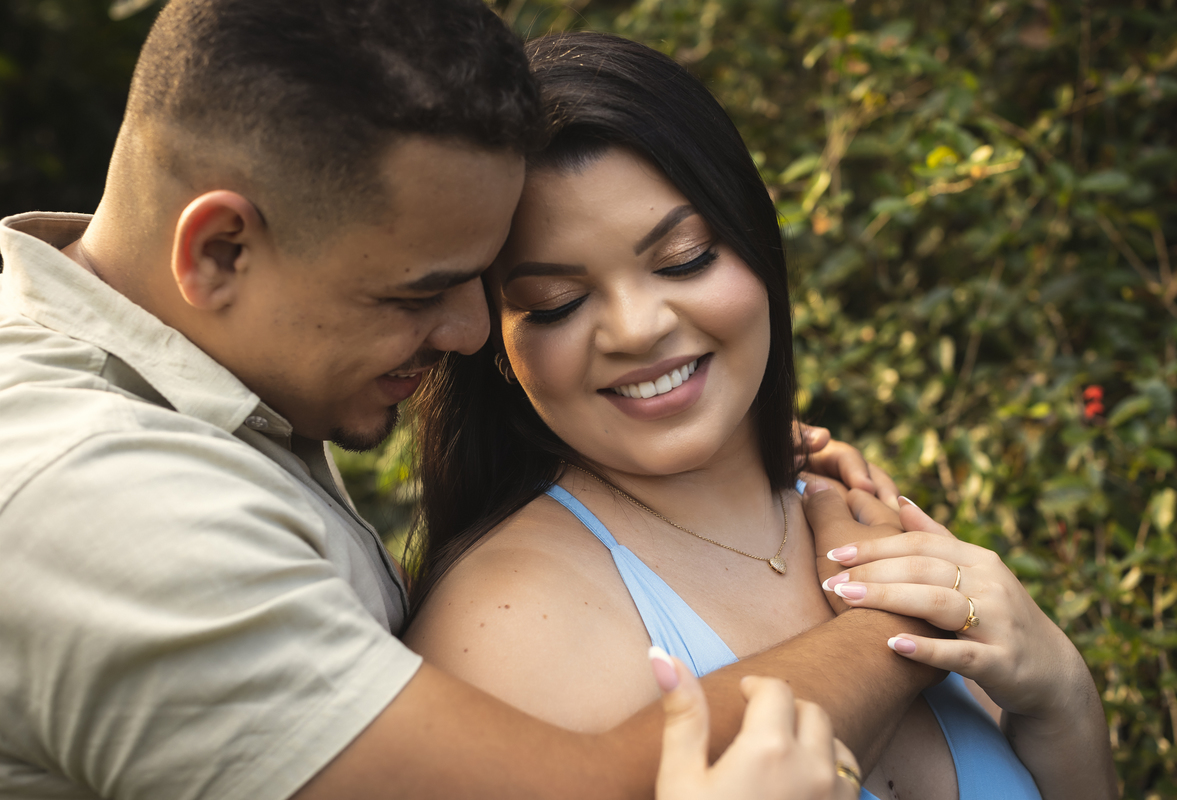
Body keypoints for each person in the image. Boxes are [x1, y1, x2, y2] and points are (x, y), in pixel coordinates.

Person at [0, 2, 935, 798]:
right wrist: (901, 611)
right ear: (219, 252)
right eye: (419, 292)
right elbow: (588, 786)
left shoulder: (196, 366)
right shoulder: (98, 499)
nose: (471, 334)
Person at [402, 31, 1117, 800]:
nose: (638, 329)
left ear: (756, 247)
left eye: (684, 258)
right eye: (558, 303)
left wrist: (1063, 697)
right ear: (497, 349)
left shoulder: (859, 522)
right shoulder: (504, 627)